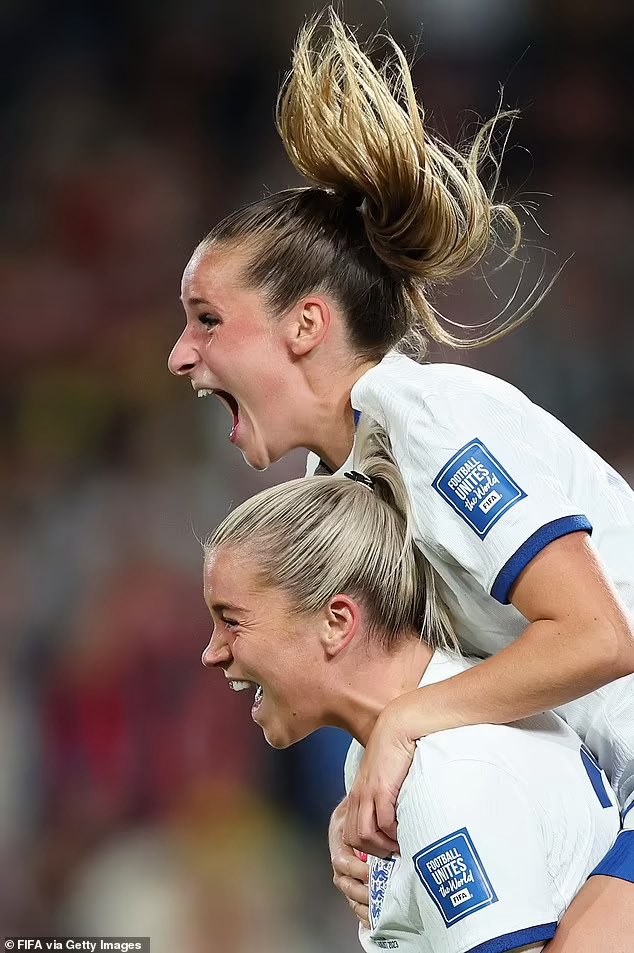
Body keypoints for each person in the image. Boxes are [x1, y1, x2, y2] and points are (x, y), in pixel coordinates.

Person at [168, 7, 634, 942]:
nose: (180, 355)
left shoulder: (431, 422)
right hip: (588, 796)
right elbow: (399, 680)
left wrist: (405, 726)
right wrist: (368, 800)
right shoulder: (339, 483)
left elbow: (597, 636)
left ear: (305, 326)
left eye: (207, 319)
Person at [200, 425, 622, 953]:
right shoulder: (381, 752)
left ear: (336, 622)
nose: (212, 651)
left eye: (232, 621)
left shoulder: (449, 773)